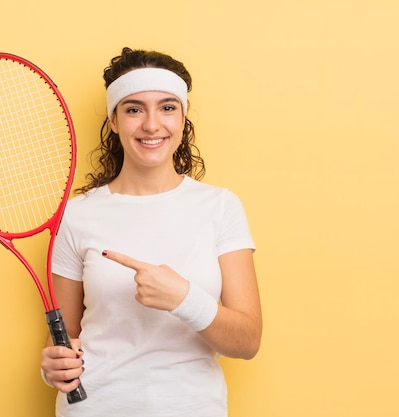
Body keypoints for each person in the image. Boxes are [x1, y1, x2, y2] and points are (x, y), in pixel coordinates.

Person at [40, 47, 262, 417]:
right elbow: (61, 336)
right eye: (133, 109)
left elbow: (248, 341)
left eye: (167, 107)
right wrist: (53, 367)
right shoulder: (77, 215)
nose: (151, 124)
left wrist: (184, 298)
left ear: (182, 117)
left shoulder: (220, 207)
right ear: (113, 120)